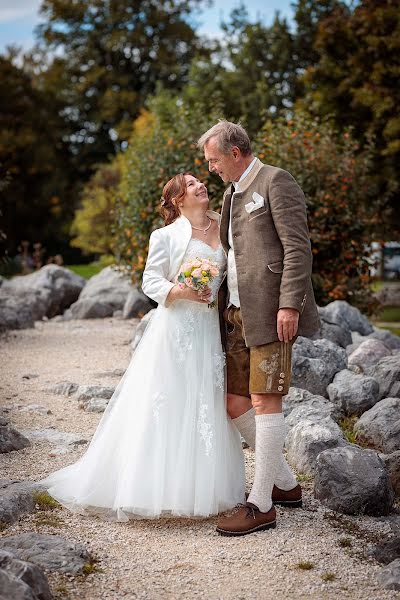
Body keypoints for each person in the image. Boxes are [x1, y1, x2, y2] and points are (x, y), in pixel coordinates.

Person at [39, 173, 245, 521]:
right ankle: (151, 487)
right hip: (176, 329)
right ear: (179, 200)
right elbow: (151, 280)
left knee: (205, 400)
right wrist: (181, 291)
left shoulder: (224, 225)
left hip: (210, 329)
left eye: (200, 181)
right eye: (191, 184)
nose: (200, 185)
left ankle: (202, 488)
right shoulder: (165, 236)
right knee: (168, 400)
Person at [197, 121, 320, 536]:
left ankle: (261, 503)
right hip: (234, 314)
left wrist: (290, 305)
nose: (211, 168)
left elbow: (298, 248)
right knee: (234, 402)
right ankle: (285, 483)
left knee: (265, 400)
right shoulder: (232, 195)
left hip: (271, 313)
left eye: (214, 160)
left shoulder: (276, 181)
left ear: (235, 153)